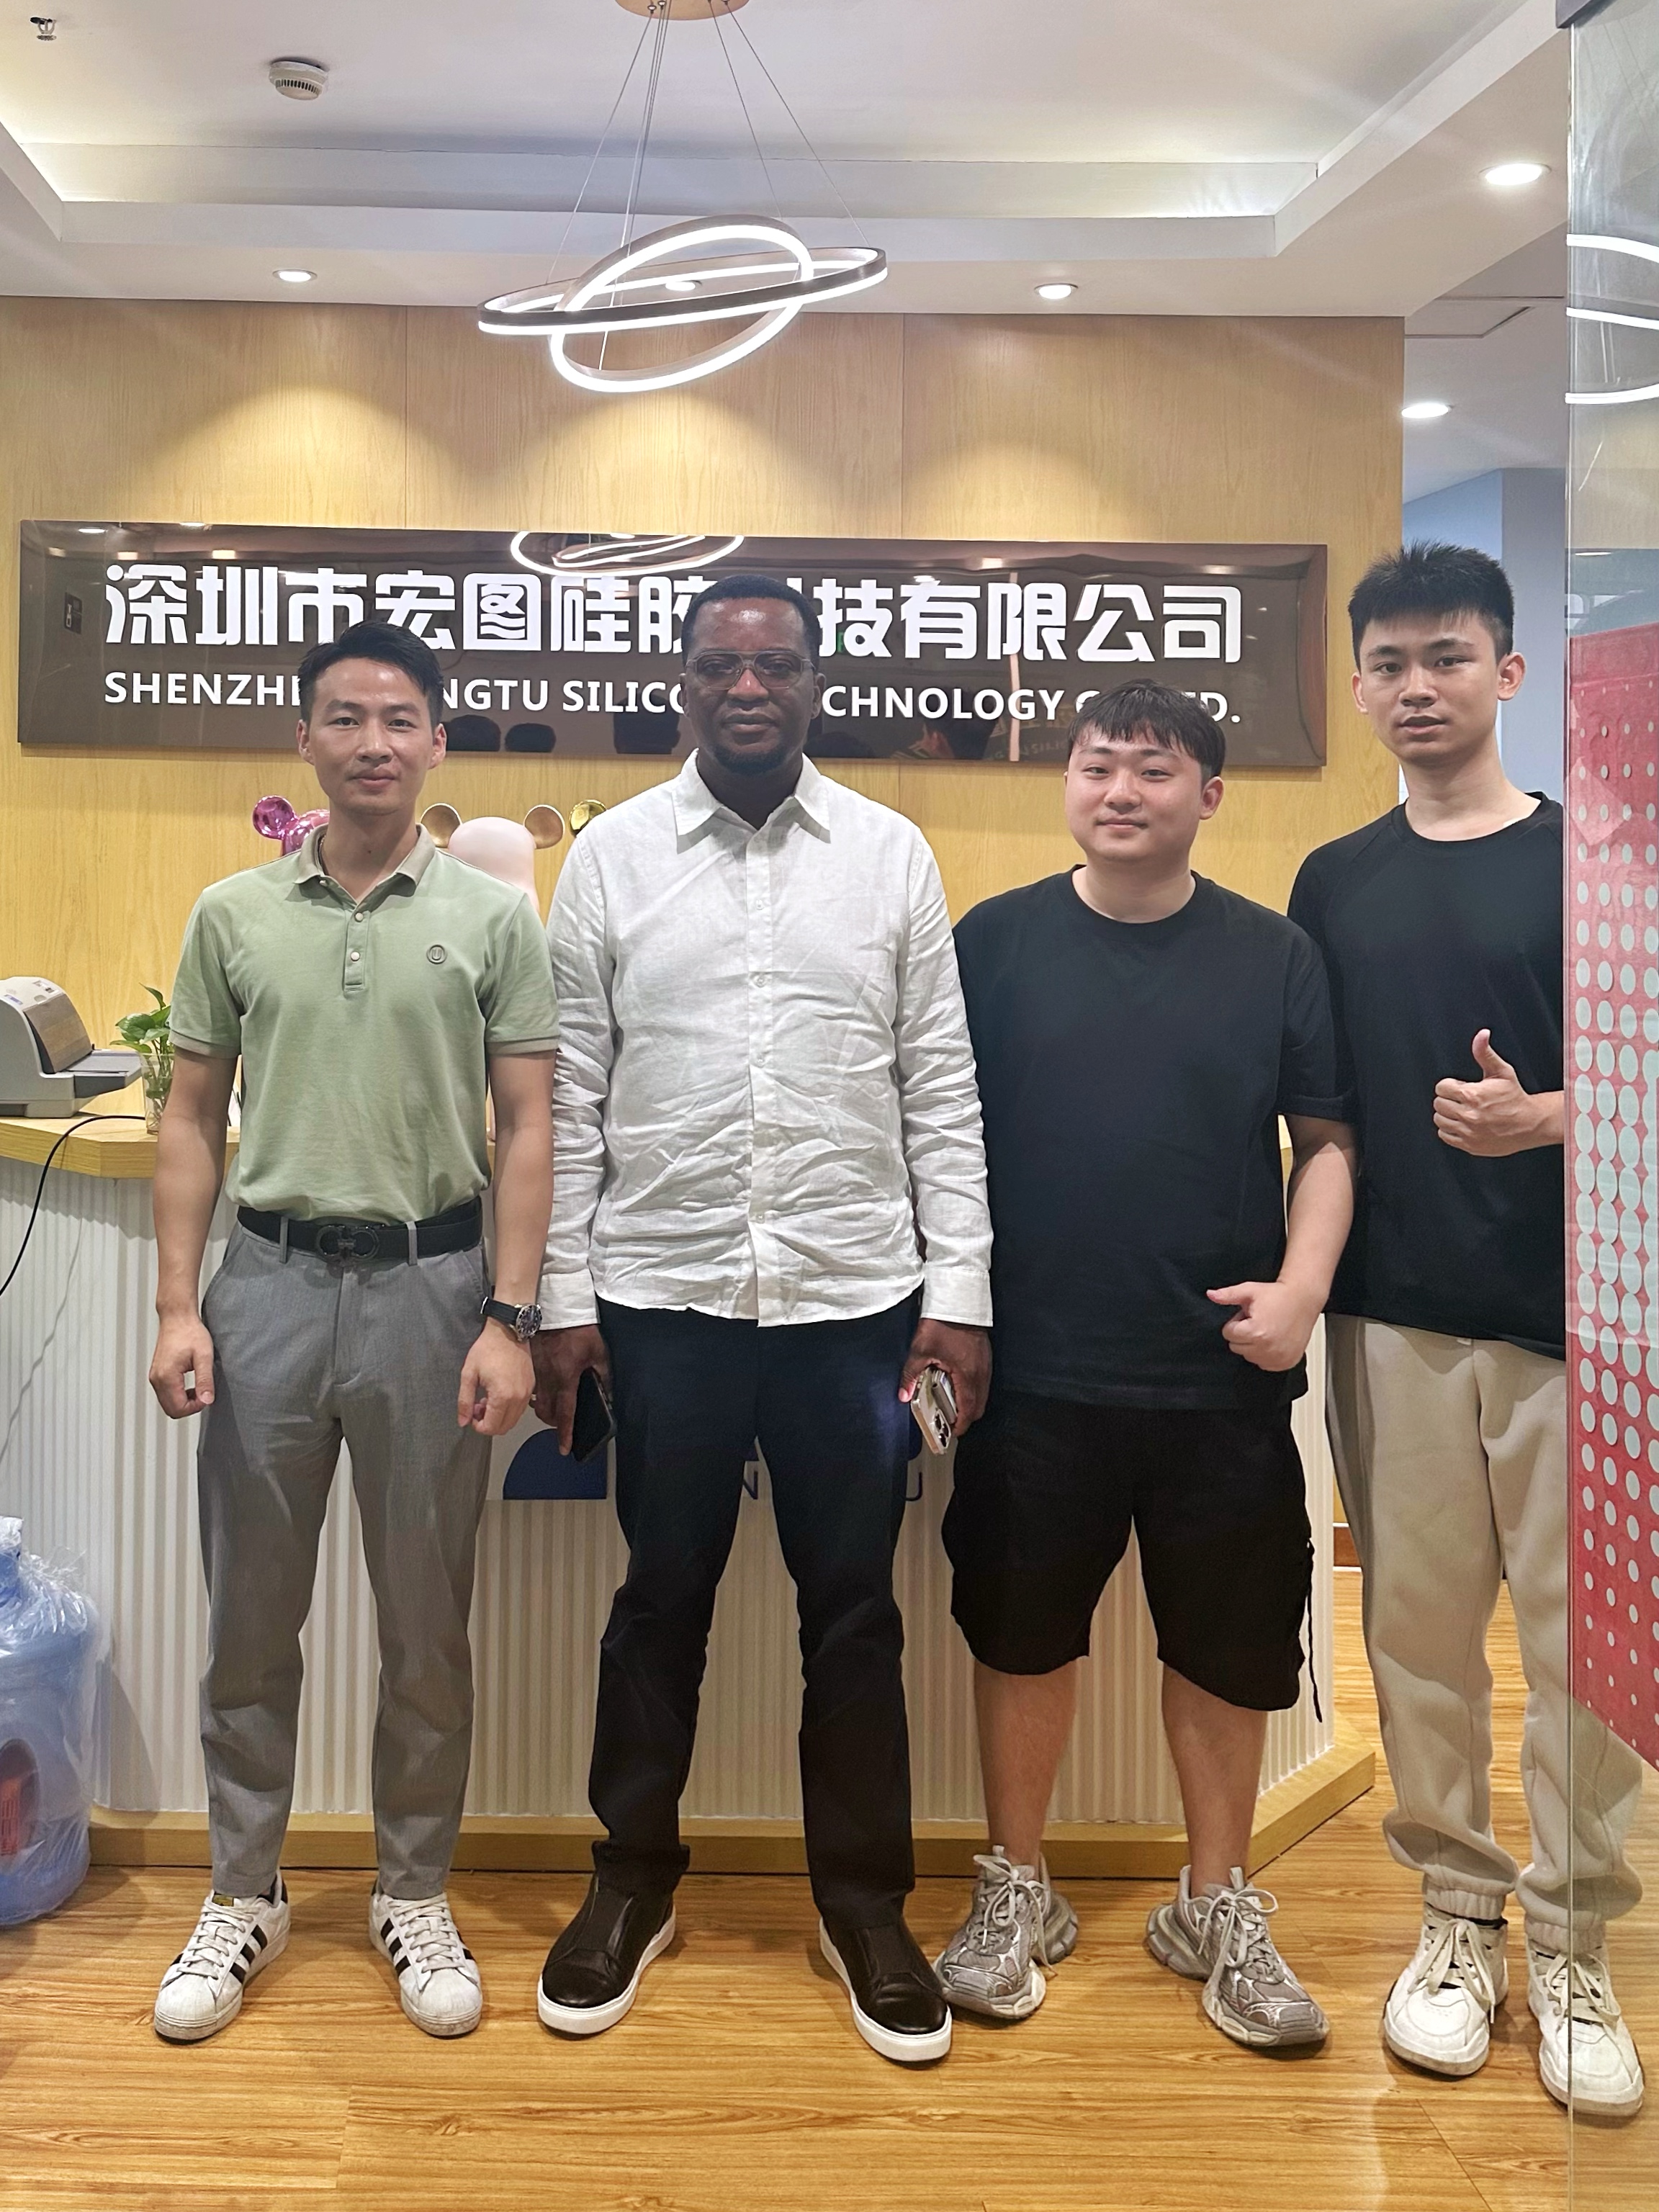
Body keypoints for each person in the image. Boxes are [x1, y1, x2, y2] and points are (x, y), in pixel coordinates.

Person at [531, 574, 992, 2065]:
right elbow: (570, 1096)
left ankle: (863, 1907)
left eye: (776, 664)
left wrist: (960, 1298)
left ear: (813, 684)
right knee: (657, 1601)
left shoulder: (890, 854)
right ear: (683, 682)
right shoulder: (609, 858)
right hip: (660, 1300)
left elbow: (940, 1089)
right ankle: (631, 1880)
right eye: (722, 664)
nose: (748, 687)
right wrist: (559, 1300)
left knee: (853, 1614)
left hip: (851, 1304)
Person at [147, 620, 557, 2044]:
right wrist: (177, 1304)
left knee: (426, 1626)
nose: (372, 743)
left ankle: (413, 1888)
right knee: (249, 1622)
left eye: (398, 720)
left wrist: (510, 1318)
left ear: (436, 741)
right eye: (344, 717)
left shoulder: (496, 919)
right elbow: (190, 1116)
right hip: (264, 1291)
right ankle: (243, 1889)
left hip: (434, 1297)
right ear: (305, 739)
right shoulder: (233, 913)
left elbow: (527, 1126)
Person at [937, 680, 1356, 2050]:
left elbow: (1327, 1142)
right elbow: (931, 1137)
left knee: (1230, 1651)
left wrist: (1302, 1291)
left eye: (1155, 769)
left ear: (1209, 796)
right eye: (1098, 765)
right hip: (1033, 1370)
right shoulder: (992, 943)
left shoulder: (1274, 953)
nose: (1121, 791)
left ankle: (1214, 1902)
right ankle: (1017, 1887)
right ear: (1067, 783)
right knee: (1020, 1632)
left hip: (1220, 1371)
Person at [1290, 542, 1645, 2116]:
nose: (1416, 686)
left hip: (1585, 1317)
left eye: (1447, 657)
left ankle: (1575, 1938)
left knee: (1585, 1653)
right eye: (1389, 664)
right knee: (1419, 1642)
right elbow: (1320, 1110)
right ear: (1362, 688)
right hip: (1395, 1316)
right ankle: (1455, 1917)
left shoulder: (1604, 858)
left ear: (1509, 671)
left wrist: (1550, 1115)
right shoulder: (1333, 880)